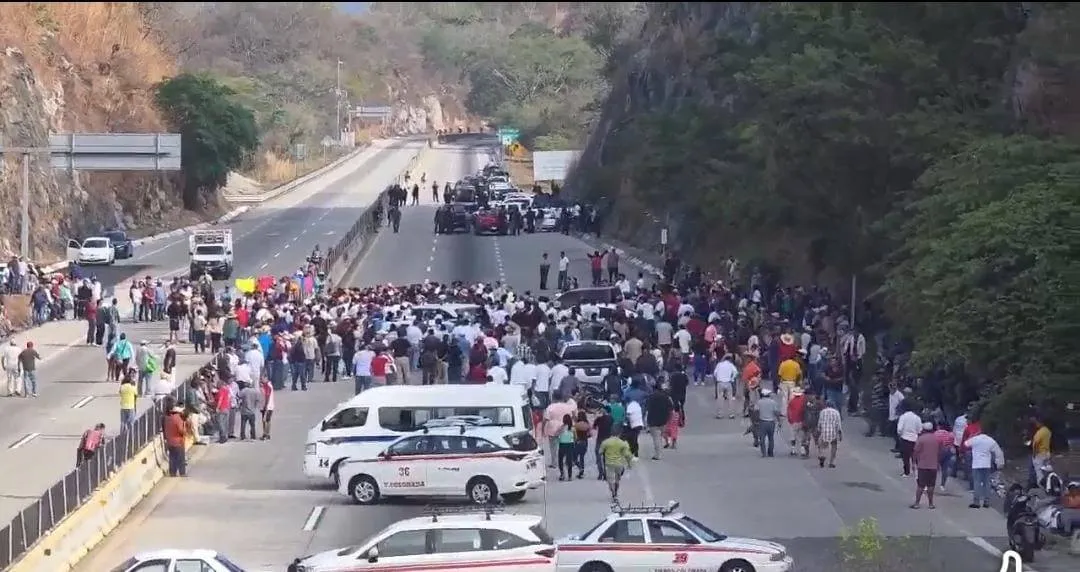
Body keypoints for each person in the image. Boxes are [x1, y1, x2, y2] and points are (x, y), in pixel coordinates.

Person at [598, 427, 634, 502]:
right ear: (619, 434)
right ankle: (616, 492)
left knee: (610, 480)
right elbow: (627, 455)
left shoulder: (606, 442)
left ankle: (613, 493)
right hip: (619, 464)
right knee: (617, 479)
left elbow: (600, 452)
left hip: (609, 464)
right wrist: (629, 464)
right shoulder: (622, 443)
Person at [911, 422, 940, 509]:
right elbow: (939, 451)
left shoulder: (921, 439)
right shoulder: (936, 439)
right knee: (931, 486)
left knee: (920, 485)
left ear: (924, 429)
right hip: (933, 466)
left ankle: (917, 503)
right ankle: (931, 504)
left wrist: (913, 462)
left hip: (923, 465)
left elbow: (915, 451)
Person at [162, 406, 188, 477]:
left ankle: (172, 473)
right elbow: (181, 431)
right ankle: (182, 473)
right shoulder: (178, 418)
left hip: (169, 442)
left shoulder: (167, 418)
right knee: (180, 458)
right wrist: (185, 426)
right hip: (178, 442)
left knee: (172, 458)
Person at [816, 397, 842, 468]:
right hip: (833, 433)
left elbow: (819, 423)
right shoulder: (836, 412)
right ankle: (832, 462)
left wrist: (818, 430)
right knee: (834, 446)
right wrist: (840, 434)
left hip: (824, 432)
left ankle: (822, 455)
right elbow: (838, 424)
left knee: (822, 445)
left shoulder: (822, 412)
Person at [556, 413, 575, 481]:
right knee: (569, 460)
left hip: (562, 444)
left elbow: (556, 434)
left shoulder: (562, 427)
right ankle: (570, 476)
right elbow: (575, 436)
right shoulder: (572, 428)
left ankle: (562, 474)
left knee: (560, 460)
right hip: (570, 444)